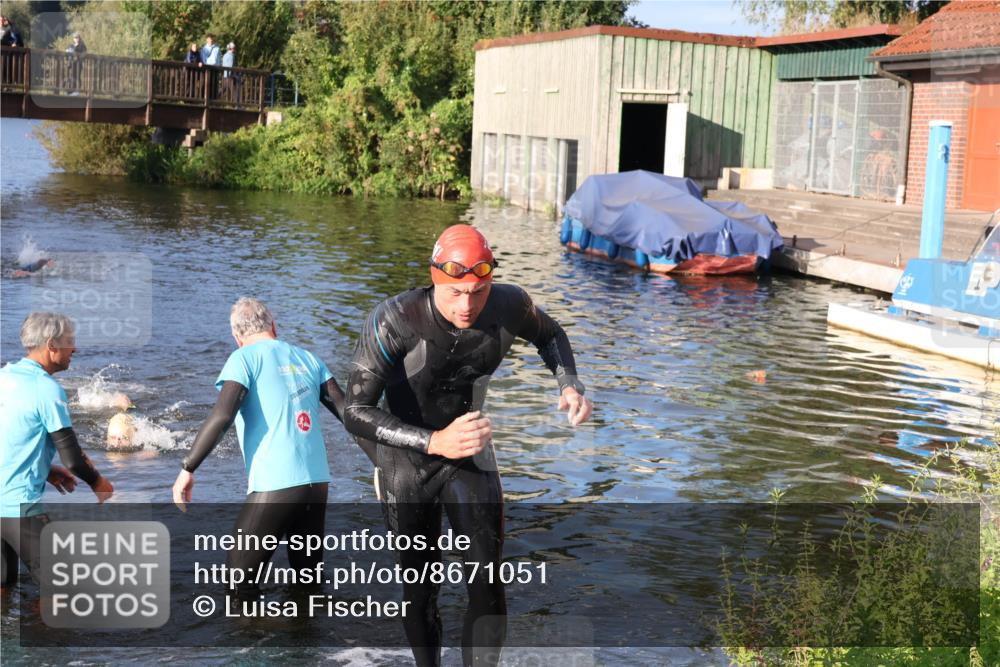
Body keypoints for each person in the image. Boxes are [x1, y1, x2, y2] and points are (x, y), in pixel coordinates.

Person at [343, 224, 593, 667]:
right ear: (435, 278)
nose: (467, 305)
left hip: (470, 448)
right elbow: (356, 412)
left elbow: (550, 335)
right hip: (408, 460)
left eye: (478, 291)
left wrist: (569, 384)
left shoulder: (510, 303)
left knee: (487, 580)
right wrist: (435, 440)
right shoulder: (394, 318)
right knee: (421, 587)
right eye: (456, 292)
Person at [171, 297, 346, 600]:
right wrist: (385, 462)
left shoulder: (243, 358)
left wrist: (188, 467)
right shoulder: (308, 358)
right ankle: (308, 645)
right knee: (307, 586)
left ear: (236, 338)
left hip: (277, 485)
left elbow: (223, 415)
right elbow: (350, 414)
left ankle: (250, 645)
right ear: (273, 326)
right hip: (317, 484)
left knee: (238, 586)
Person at [1, 312, 114, 589]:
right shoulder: (47, 389)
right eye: (69, 342)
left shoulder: (4, 377)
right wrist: (99, 483)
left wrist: (45, 469)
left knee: (3, 590)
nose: (74, 348)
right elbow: (74, 460)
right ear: (51, 345)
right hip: (20, 510)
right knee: (65, 590)